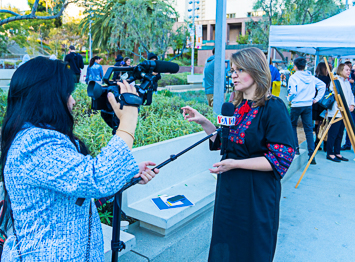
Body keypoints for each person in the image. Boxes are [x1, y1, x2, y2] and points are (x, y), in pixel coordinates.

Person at [0, 57, 159, 261]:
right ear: (48, 97)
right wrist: (129, 119)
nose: (73, 101)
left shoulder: (41, 139)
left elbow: (80, 187)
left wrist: (128, 173)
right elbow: (98, 178)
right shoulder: (33, 145)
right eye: (68, 94)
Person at [182, 47, 295, 262]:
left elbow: (280, 159)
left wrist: (236, 164)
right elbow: (225, 144)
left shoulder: (274, 108)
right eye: (232, 70)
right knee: (227, 244)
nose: (233, 75)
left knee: (252, 248)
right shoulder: (236, 106)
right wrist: (204, 122)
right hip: (230, 190)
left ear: (256, 70)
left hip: (257, 194)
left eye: (239, 69)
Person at [288, 57, 325, 164]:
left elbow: (293, 92)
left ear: (295, 66)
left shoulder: (293, 77)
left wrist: (289, 98)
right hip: (308, 104)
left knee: (292, 126)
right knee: (308, 130)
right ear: (305, 66)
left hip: (296, 104)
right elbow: (322, 85)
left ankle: (296, 149)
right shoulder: (311, 77)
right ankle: (311, 156)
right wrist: (316, 99)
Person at [326, 63, 355, 162]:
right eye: (346, 70)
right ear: (341, 70)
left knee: (340, 133)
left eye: (349, 70)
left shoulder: (347, 82)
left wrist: (352, 104)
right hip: (336, 111)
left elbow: (351, 95)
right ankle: (330, 153)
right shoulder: (335, 80)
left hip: (345, 112)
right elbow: (335, 95)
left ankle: (337, 152)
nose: (349, 72)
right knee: (333, 133)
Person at [313, 62, 331, 151]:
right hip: (325, 102)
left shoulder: (315, 78)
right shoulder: (328, 79)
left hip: (316, 102)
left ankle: (317, 141)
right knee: (323, 122)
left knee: (317, 122)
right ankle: (323, 141)